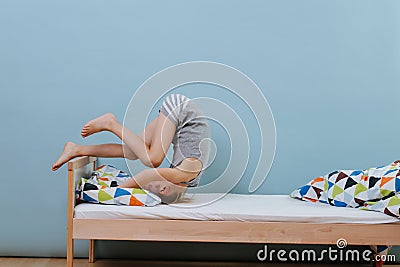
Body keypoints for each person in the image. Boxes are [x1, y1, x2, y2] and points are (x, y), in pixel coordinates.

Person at [52, 94, 210, 204]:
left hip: (181, 115)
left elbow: (148, 176)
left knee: (132, 153)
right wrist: (116, 191)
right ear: (164, 188)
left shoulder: (185, 179)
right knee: (153, 160)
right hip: (181, 109)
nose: (146, 184)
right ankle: (110, 123)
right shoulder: (186, 173)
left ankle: (77, 149)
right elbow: (147, 174)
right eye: (149, 186)